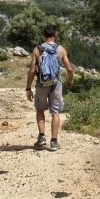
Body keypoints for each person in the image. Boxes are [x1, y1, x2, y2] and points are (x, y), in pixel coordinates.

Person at [26, 23, 74, 151]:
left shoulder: (37, 49)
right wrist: (70, 81)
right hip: (56, 84)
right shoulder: (61, 49)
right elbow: (69, 68)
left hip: (41, 84)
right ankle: (54, 141)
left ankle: (41, 138)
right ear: (56, 34)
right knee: (55, 112)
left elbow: (31, 71)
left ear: (44, 34)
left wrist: (28, 88)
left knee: (40, 109)